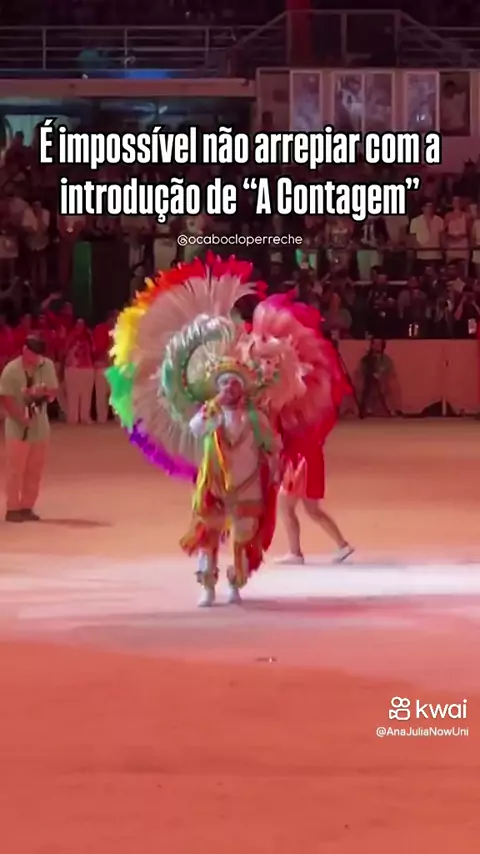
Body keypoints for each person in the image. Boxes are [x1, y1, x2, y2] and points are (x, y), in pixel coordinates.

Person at [107, 254, 336, 607]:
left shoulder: (255, 417)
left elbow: (272, 446)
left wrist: (276, 466)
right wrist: (209, 410)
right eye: (224, 384)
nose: (229, 389)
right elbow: (196, 427)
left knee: (245, 533)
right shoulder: (211, 412)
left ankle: (235, 583)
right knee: (209, 532)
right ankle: (207, 585)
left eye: (234, 384)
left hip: (247, 485)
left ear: (243, 388)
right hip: (214, 481)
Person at [270, 295, 353, 565]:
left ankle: (297, 552)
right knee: (311, 508)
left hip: (302, 458)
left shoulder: (299, 397)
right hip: (306, 454)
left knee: (287, 505)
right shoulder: (302, 396)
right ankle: (341, 545)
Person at [0, 335, 58, 522]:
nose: (36, 358)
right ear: (24, 350)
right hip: (17, 427)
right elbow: (5, 398)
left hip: (40, 425)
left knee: (35, 468)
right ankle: (12, 508)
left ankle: (27, 505)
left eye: (39, 355)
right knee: (15, 469)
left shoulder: (46, 366)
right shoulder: (11, 370)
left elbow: (53, 392)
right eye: (33, 354)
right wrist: (20, 417)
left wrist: (43, 392)